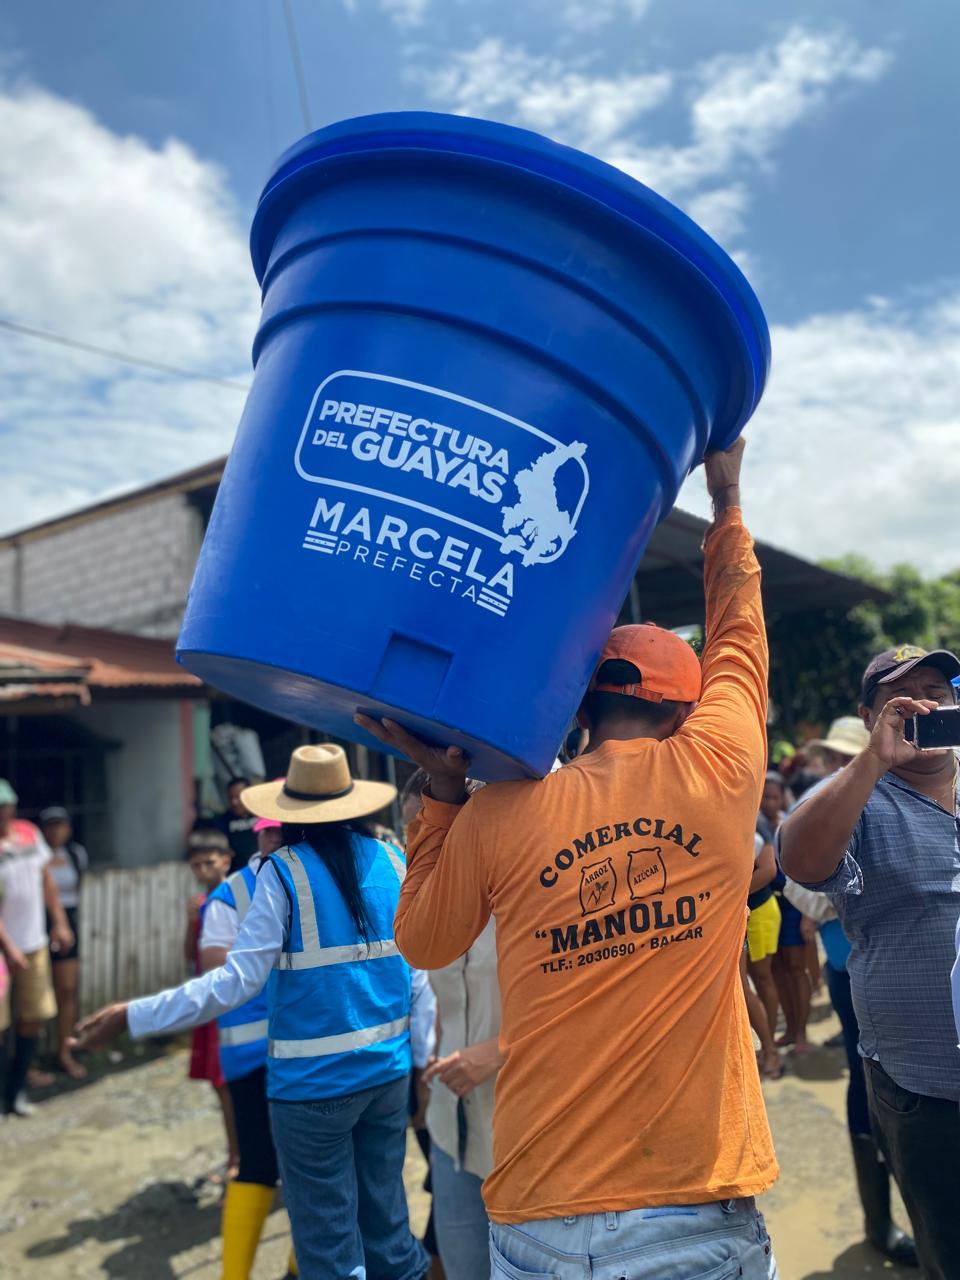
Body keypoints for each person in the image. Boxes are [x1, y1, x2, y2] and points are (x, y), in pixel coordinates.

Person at [361, 439, 779, 1279]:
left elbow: (423, 943)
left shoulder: (498, 811)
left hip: (538, 1212)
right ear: (685, 711)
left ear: (581, 708)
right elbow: (739, 629)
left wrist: (442, 795)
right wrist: (726, 496)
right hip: (689, 1202)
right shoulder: (720, 766)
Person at [72, 744, 432, 1280]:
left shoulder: (281, 873)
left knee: (330, 1252)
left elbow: (235, 982)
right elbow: (417, 974)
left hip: (311, 1091)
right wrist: (422, 1062)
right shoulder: (393, 860)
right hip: (387, 1076)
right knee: (389, 1233)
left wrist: (134, 1014)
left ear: (289, 813)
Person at [780, 644, 960, 1279]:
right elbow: (799, 860)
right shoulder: (860, 798)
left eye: (939, 692)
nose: (926, 707)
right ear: (869, 716)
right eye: (904, 699)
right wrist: (873, 761)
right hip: (926, 1087)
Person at [401, 770, 502, 1280]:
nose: (418, 846)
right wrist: (431, 1071)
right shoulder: (430, 911)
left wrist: (498, 1051)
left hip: (518, 1129)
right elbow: (444, 1000)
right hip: (450, 1125)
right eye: (414, 833)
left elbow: (587, 1008)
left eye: (430, 831)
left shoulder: (529, 900)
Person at [200, 813, 298, 1280]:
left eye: (281, 830)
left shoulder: (305, 875)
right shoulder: (232, 893)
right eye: (267, 831)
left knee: (300, 1161)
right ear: (257, 836)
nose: (274, 838)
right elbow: (215, 968)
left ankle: (298, 1266)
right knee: (263, 1161)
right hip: (256, 1052)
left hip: (295, 1047)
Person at [0, 779, 73, 1116]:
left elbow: (46, 881)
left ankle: (16, 1091)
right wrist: (8, 947)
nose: (5, 812)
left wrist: (59, 921)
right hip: (4, 950)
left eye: (7, 806)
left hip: (34, 942)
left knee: (32, 1017)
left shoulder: (29, 834)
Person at [184, 829, 239, 1181]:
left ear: (226, 861)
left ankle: (241, 1157)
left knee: (233, 1081)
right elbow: (190, 955)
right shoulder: (202, 904)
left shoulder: (238, 897)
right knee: (220, 1084)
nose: (203, 870)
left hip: (234, 1003)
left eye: (209, 862)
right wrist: (192, 922)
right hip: (210, 1000)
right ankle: (236, 1153)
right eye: (196, 865)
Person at [38, 805, 89, 1080]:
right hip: (38, 923)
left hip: (68, 921)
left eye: (61, 825)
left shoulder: (76, 854)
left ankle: (64, 1051)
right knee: (35, 994)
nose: (56, 831)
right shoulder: (35, 855)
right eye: (51, 826)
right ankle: (29, 1059)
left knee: (67, 989)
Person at [763, 771, 812, 1053]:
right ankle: (791, 1029)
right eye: (765, 797)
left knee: (796, 967)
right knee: (777, 969)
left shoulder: (792, 824)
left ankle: (802, 1032)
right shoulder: (756, 826)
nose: (769, 802)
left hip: (794, 904)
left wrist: (807, 915)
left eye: (774, 797)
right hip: (771, 904)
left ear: (783, 797)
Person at [745, 831, 782, 1079]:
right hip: (738, 913)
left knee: (761, 978)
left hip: (758, 910)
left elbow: (768, 870)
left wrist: (725, 894)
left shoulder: (757, 824)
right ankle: (764, 1046)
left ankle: (770, 1049)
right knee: (747, 984)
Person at [213, 778, 259, 869]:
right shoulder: (222, 822)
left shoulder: (262, 816)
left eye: (238, 797)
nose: (234, 802)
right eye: (231, 798)